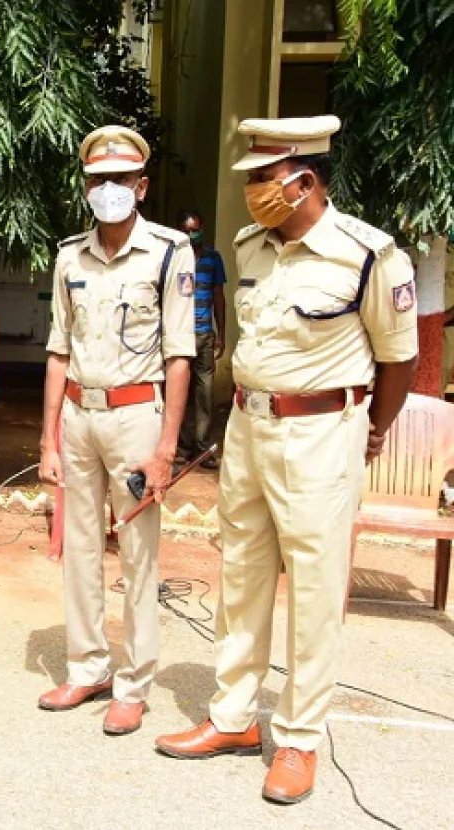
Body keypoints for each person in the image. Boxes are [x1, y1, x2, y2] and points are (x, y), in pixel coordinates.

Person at [155, 116, 418, 805]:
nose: (253, 192)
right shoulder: (252, 247)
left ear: (304, 180)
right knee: (240, 575)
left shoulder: (368, 254)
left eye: (263, 178)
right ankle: (233, 717)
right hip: (249, 426)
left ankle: (300, 739)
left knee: (312, 589)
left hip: (322, 434)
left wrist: (372, 431)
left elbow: (398, 357)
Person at [36, 125, 195, 735]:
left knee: (137, 554)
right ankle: (87, 667)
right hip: (78, 416)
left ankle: (133, 684)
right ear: (86, 188)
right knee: (79, 549)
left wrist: (166, 450)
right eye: (98, 180)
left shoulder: (169, 252)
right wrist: (48, 438)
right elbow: (58, 349)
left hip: (136, 418)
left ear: (141, 186)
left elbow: (179, 356)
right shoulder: (68, 257)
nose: (109, 189)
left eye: (120, 179)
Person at [175, 208, 226, 469]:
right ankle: (182, 447)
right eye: (186, 231)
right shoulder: (174, 258)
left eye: (195, 230)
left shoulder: (213, 259)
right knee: (179, 391)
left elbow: (219, 296)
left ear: (202, 229)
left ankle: (203, 447)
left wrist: (221, 333)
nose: (191, 235)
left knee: (204, 392)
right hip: (180, 336)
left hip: (205, 334)